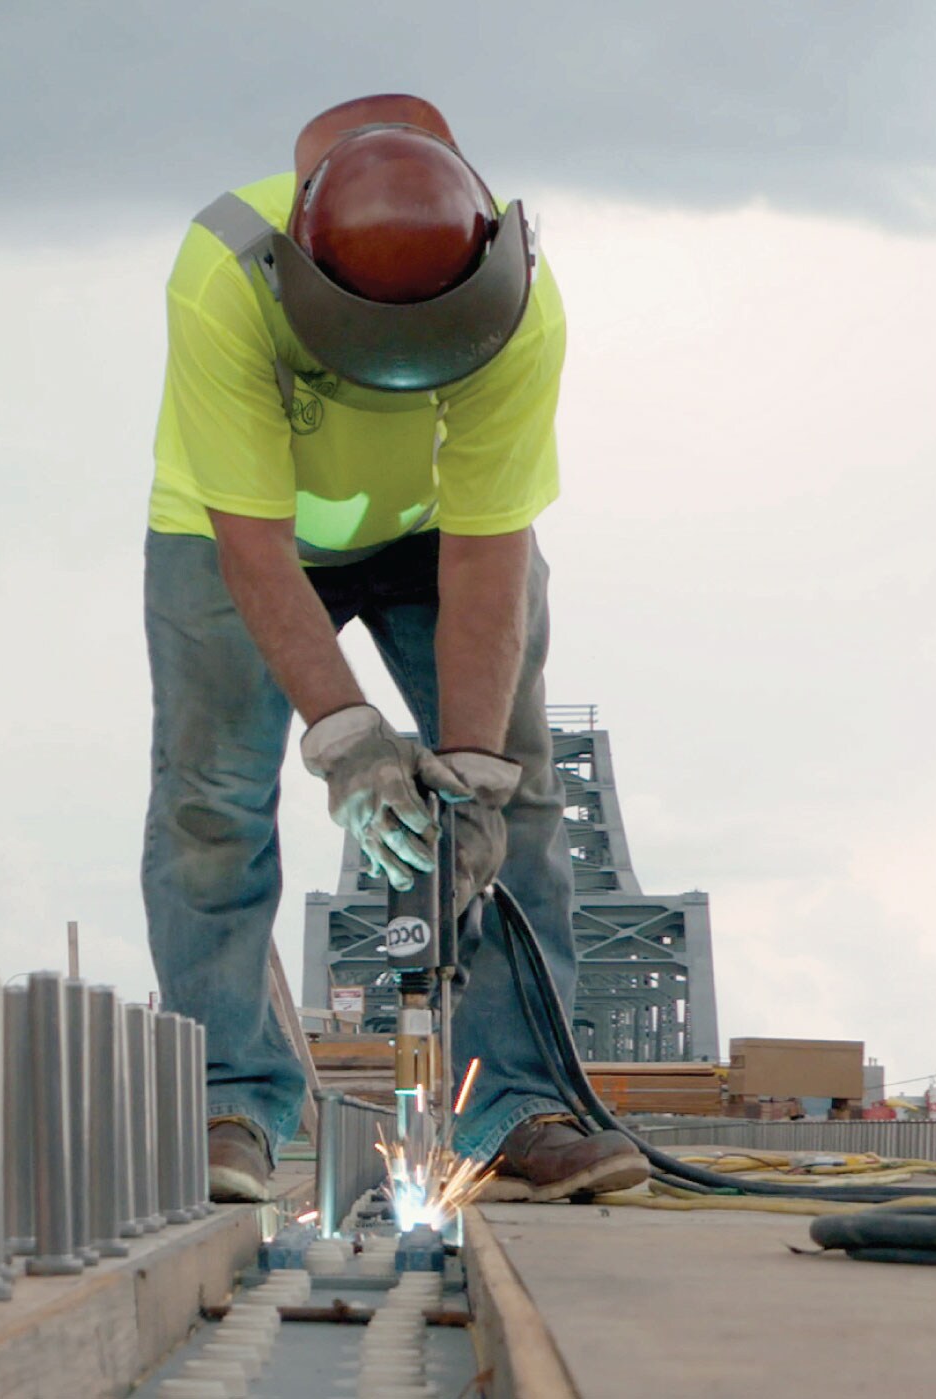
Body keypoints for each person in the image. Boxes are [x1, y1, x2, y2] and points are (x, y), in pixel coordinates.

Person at [143, 93, 648, 1204]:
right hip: (239, 531)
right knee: (210, 805)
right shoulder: (226, 275)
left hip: (435, 539)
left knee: (513, 805)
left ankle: (519, 1102)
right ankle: (232, 1097)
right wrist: (351, 742)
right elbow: (257, 552)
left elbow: (485, 552)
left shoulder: (523, 306)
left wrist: (467, 772)